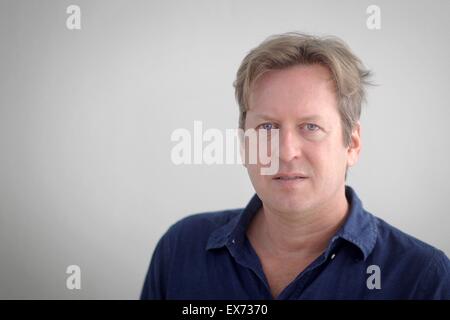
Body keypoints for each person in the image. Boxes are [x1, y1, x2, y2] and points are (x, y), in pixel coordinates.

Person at [141, 32, 450, 299]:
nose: (286, 152)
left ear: (352, 144)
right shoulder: (181, 249)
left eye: (311, 127)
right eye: (267, 128)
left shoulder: (421, 277)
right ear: (245, 144)